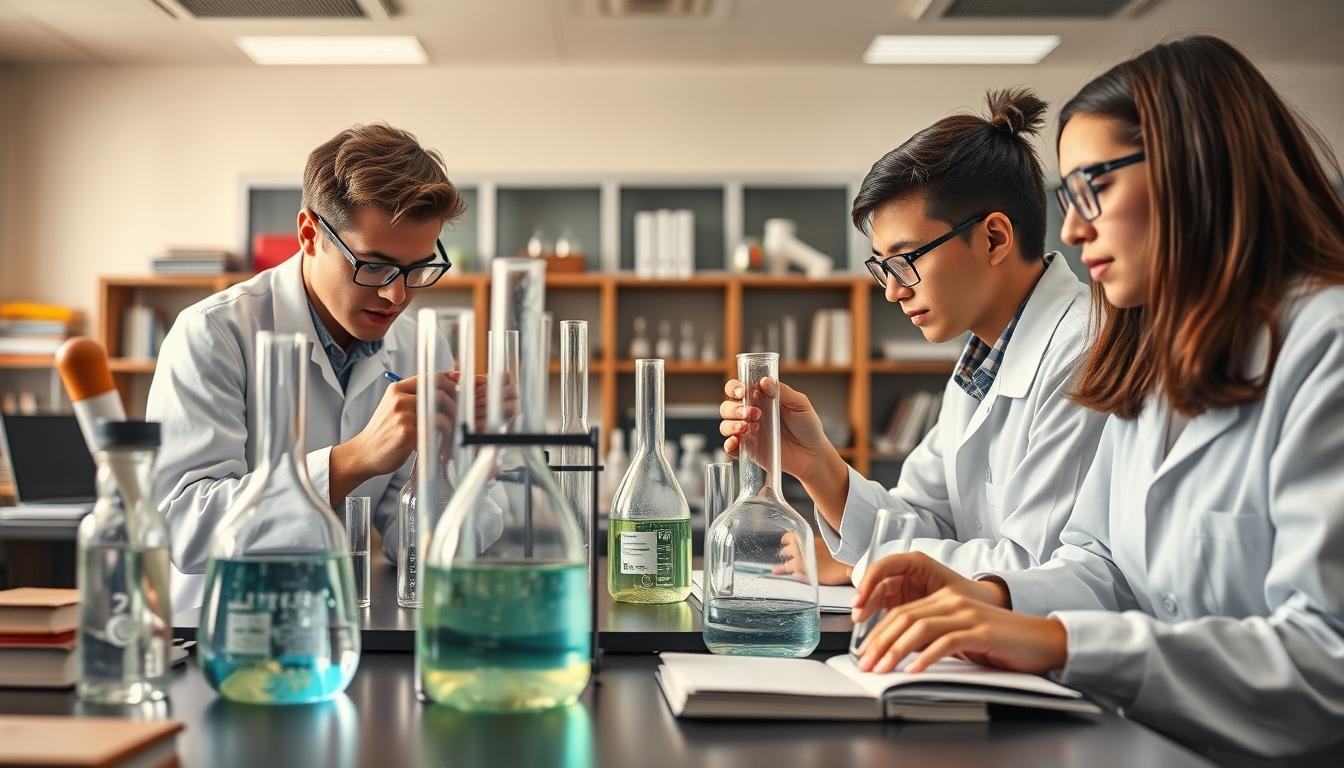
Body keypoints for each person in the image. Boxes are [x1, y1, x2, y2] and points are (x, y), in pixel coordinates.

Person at [849, 36, 1344, 760]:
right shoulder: (1152, 353)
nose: (1075, 231)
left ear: (1193, 173)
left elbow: (1325, 660)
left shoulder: (1324, 346)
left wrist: (1057, 639)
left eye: (1095, 189)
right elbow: (1101, 561)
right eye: (1069, 198)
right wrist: (988, 596)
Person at [720, 89, 1107, 584]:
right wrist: (816, 465)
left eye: (907, 259)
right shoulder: (982, 362)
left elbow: (1034, 573)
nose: (893, 292)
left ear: (993, 238)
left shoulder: (1082, 350)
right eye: (884, 269)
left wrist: (866, 561)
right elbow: (926, 518)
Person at [148, 123, 478, 609]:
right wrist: (355, 458)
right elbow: (182, 528)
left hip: (351, 627)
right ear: (309, 234)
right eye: (374, 265)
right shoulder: (214, 334)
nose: (396, 295)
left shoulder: (419, 347)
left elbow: (416, 546)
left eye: (416, 269)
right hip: (225, 633)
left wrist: (465, 463)